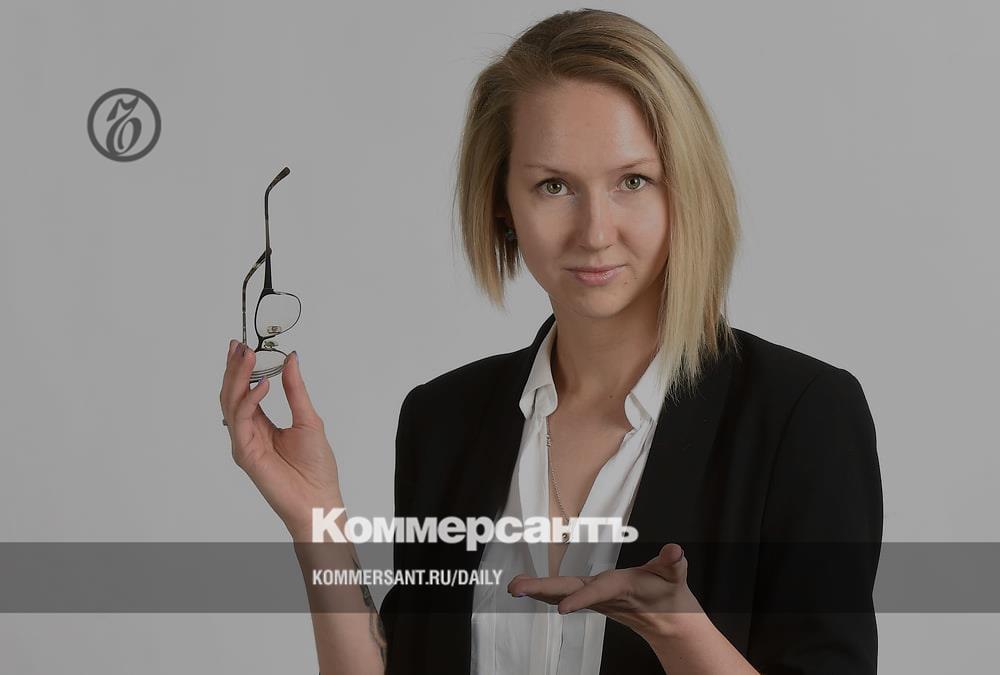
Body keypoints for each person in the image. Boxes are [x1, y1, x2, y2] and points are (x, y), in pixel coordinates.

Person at [219, 8, 882, 675]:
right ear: (502, 203)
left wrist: (680, 635)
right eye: (554, 186)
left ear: (685, 189)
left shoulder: (802, 418)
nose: (594, 232)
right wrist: (318, 523)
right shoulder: (443, 420)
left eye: (632, 181)